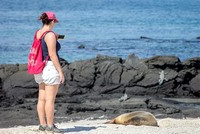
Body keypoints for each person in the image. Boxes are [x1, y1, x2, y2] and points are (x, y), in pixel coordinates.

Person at [33, 11, 65, 133]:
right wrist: (60, 71)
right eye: (54, 22)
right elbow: (52, 54)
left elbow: (43, 47)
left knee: (42, 99)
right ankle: (50, 126)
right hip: (50, 67)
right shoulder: (50, 35)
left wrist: (53, 38)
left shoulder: (38, 33)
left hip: (40, 67)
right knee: (50, 100)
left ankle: (42, 125)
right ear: (52, 21)